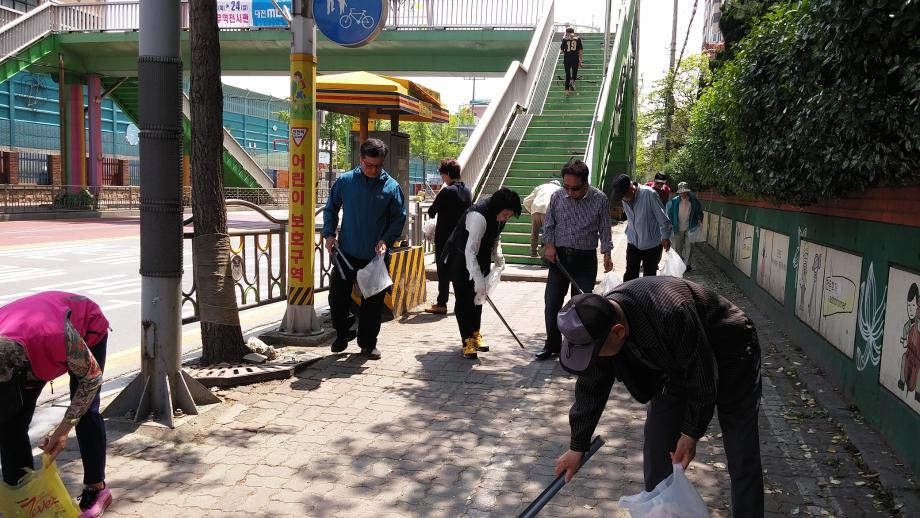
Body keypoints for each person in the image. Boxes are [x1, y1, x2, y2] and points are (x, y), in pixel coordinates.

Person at [553, 277, 764, 517]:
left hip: (731, 350)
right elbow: (592, 385)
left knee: (740, 449)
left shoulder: (672, 311)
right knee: (657, 445)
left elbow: (702, 376)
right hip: (674, 364)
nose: (594, 359)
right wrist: (577, 446)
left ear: (618, 331)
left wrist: (691, 433)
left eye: (595, 353)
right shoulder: (599, 328)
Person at [0, 292, 113, 517]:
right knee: (10, 425)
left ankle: (96, 488)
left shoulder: (57, 337)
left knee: (84, 412)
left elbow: (91, 379)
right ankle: (24, 494)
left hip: (84, 328)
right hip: (27, 349)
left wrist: (63, 430)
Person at [323, 138, 407, 360]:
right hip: (346, 252)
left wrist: (386, 240)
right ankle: (343, 333)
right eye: (368, 165)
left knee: (373, 302)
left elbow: (399, 219)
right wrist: (329, 234)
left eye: (378, 166)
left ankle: (368, 344)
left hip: (375, 257)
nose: (373, 170)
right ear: (361, 160)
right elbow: (331, 208)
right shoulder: (346, 181)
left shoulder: (391, 187)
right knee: (337, 298)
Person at [535, 160, 614, 361]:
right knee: (552, 302)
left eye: (575, 188)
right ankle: (552, 344)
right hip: (559, 258)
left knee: (580, 308)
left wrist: (607, 254)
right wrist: (549, 245)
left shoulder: (600, 199)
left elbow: (605, 228)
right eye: (566, 186)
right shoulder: (557, 196)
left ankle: (576, 347)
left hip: (585, 260)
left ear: (585, 183)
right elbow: (550, 225)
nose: (569, 192)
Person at [441, 188, 522, 359]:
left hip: (481, 256)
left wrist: (498, 254)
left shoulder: (499, 215)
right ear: (498, 207)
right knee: (464, 299)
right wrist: (477, 278)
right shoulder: (478, 216)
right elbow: (470, 251)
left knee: (479, 298)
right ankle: (467, 340)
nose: (506, 218)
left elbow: (495, 236)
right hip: (460, 257)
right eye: (506, 214)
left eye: (509, 215)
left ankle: (475, 333)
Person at [424, 159, 472, 315]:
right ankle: (462, 303)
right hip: (461, 238)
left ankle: (441, 303)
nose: (442, 178)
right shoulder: (467, 191)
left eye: (443, 175)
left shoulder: (447, 191)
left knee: (443, 270)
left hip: (444, 238)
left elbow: (432, 211)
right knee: (459, 269)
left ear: (449, 174)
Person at [610, 174, 671, 282]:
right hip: (633, 242)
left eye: (623, 195)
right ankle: (628, 298)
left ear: (631, 189)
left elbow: (662, 218)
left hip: (652, 244)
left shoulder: (649, 194)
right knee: (630, 275)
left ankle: (647, 298)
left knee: (648, 278)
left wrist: (666, 236)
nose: (622, 199)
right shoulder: (625, 198)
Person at [666, 182, 704, 272]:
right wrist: (670, 223)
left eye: (685, 192)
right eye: (682, 192)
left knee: (689, 247)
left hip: (690, 227)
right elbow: (670, 213)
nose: (683, 194)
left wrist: (700, 219)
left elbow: (699, 211)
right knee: (678, 248)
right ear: (679, 192)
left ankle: (687, 265)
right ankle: (679, 265)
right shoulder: (674, 201)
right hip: (677, 227)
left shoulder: (693, 201)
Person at [521, 179, 561, 257]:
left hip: (535, 208)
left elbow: (526, 201)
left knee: (534, 232)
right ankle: (544, 257)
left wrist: (531, 210)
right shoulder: (559, 189)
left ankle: (533, 252)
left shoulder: (540, 186)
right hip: (547, 210)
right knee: (547, 233)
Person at [560, 27, 583, 97]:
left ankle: (567, 91)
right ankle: (572, 82)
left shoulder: (564, 39)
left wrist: (565, 52)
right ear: (573, 32)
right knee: (574, 72)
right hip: (575, 58)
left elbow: (561, 50)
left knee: (567, 75)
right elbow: (580, 50)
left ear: (567, 32)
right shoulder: (578, 39)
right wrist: (580, 59)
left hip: (567, 59)